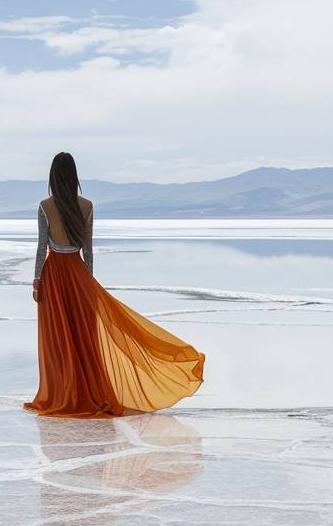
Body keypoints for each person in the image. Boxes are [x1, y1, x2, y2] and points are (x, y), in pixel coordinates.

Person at [24, 151, 205, 417]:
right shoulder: (86, 205)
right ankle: (87, 394)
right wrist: (89, 284)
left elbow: (42, 248)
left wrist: (37, 280)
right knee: (84, 338)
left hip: (53, 276)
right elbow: (89, 250)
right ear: (74, 176)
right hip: (78, 274)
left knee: (58, 340)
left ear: (52, 175)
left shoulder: (44, 206)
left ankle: (61, 396)